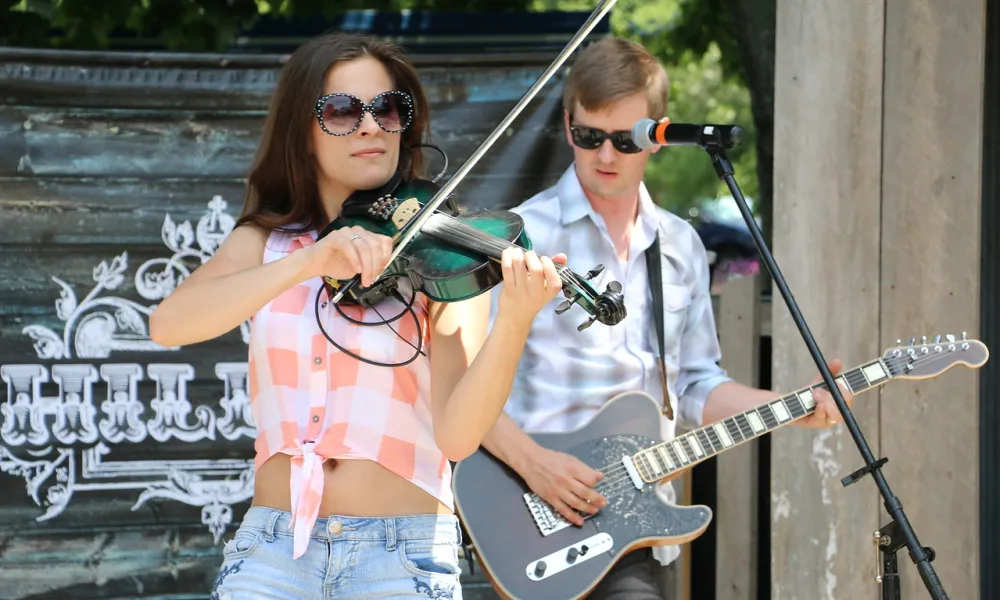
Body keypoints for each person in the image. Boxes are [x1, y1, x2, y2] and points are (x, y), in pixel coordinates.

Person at [149, 31, 568, 600]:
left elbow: (458, 434)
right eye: (342, 111)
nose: (370, 126)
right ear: (304, 132)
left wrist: (513, 320)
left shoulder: (444, 256)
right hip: (273, 551)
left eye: (387, 109)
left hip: (402, 557)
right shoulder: (266, 245)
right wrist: (312, 261)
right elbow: (169, 324)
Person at [481, 36, 855, 599]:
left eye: (625, 140)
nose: (605, 156)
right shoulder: (520, 236)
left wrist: (793, 409)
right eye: (589, 136)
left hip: (638, 525)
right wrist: (535, 465)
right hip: (533, 516)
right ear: (567, 126)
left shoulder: (679, 245)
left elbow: (695, 386)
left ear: (658, 135)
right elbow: (465, 387)